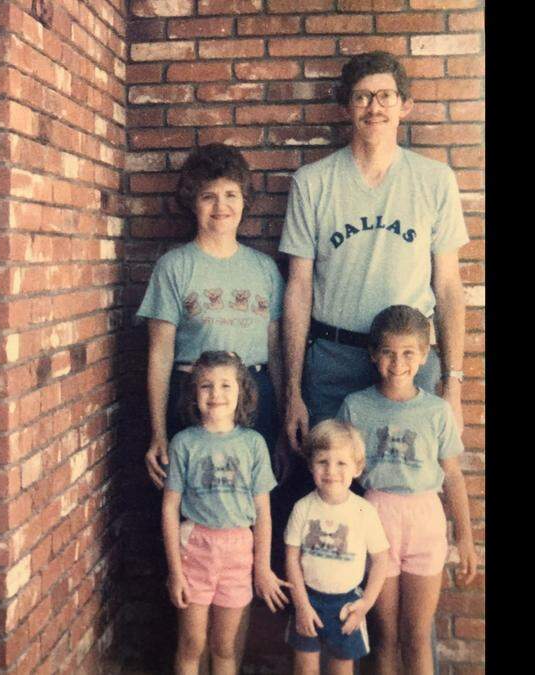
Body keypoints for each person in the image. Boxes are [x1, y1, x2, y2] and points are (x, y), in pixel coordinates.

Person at [279, 50, 470, 459]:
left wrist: (452, 383)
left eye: (385, 96)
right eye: (363, 97)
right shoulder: (312, 183)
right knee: (330, 493)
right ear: (346, 106)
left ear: (406, 105)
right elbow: (298, 289)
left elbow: (449, 287)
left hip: (410, 364)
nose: (374, 107)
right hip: (333, 360)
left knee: (406, 488)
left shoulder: (435, 181)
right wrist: (293, 391)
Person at [336, 306, 478, 674]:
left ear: (424, 355)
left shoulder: (437, 411)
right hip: (375, 519)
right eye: (387, 352)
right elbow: (341, 475)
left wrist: (465, 538)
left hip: (425, 519)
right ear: (372, 354)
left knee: (416, 634)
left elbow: (453, 475)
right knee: (384, 634)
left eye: (408, 353)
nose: (397, 363)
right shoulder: (356, 406)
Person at [139, 143, 286, 489]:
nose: (222, 206)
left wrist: (279, 426)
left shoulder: (264, 268)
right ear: (193, 202)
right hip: (194, 397)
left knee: (254, 505)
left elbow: (276, 353)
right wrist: (158, 432)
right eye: (209, 196)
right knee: (196, 501)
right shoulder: (174, 267)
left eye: (231, 195)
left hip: (255, 396)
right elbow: (159, 355)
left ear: (244, 201)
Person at [162, 351, 291, 675]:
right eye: (206, 386)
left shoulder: (253, 444)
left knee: (224, 648)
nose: (216, 395)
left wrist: (262, 567)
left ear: (241, 392)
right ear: (193, 392)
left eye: (225, 386)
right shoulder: (184, 443)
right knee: (191, 643)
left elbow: (263, 511)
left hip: (238, 552)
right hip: (195, 548)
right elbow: (169, 508)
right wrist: (175, 571)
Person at [283, 419, 390, 675]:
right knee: (304, 668)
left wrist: (365, 603)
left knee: (341, 670)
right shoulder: (303, 508)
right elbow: (291, 558)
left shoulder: (364, 511)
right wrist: (301, 605)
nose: (331, 470)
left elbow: (381, 560)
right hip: (307, 598)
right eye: (323, 462)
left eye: (341, 463)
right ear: (311, 465)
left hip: (346, 604)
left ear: (357, 467)